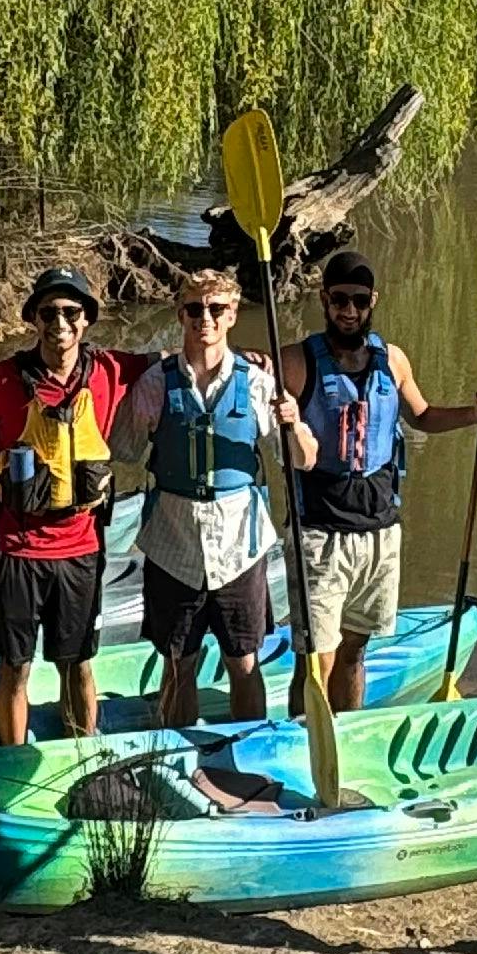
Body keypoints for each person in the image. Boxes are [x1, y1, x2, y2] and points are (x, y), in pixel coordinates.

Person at [268, 249, 477, 712]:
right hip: (319, 532)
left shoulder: (392, 361)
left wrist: (474, 414)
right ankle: (303, 741)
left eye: (359, 301)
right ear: (324, 299)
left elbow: (423, 416)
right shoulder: (295, 361)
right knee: (315, 662)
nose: (349, 311)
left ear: (372, 301)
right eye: (339, 300)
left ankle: (348, 731)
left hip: (379, 530)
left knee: (355, 651)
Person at [0, 266, 130, 750]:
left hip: (81, 550)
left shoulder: (112, 372)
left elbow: (182, 362)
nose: (60, 323)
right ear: (33, 318)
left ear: (87, 319)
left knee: (78, 663)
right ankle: (13, 757)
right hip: (15, 550)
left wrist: (249, 360)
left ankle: (82, 749)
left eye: (71, 312)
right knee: (15, 666)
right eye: (48, 312)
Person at [113, 262, 283, 726]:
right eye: (194, 308)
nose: (204, 318)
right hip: (174, 546)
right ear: (180, 314)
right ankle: (175, 752)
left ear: (232, 315)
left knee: (243, 664)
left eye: (216, 308)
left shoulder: (259, 383)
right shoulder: (155, 383)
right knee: (177, 665)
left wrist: (294, 424)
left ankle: (246, 749)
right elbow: (122, 449)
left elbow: (301, 459)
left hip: (239, 547)